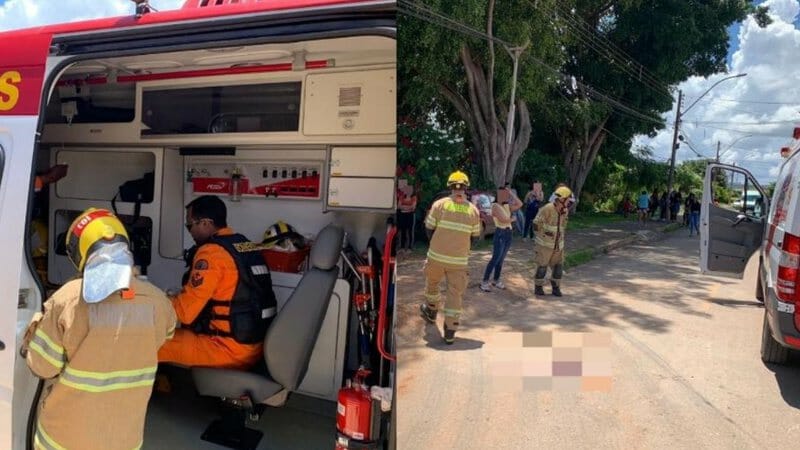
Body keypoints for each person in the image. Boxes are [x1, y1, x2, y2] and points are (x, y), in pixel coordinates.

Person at [21, 208, 175, 450]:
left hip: (64, 439)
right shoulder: (157, 300)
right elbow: (164, 335)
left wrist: (35, 325)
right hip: (125, 439)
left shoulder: (68, 300)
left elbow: (43, 365)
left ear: (80, 250)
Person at [158, 195, 277, 369]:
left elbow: (185, 313)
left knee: (146, 343)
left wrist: (155, 300)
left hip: (226, 348)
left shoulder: (212, 253)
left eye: (189, 225)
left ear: (205, 223)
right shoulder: (245, 245)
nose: (189, 231)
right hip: (255, 346)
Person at [419, 170, 481, 344]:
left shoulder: (439, 205)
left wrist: (437, 244)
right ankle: (450, 331)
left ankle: (431, 312)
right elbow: (475, 238)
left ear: (450, 187)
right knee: (455, 295)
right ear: (466, 188)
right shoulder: (473, 211)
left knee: (432, 284)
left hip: (436, 257)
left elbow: (429, 228)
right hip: (459, 262)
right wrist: (461, 249)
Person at [480, 185, 523, 291]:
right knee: (495, 258)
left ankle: (496, 280)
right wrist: (512, 219)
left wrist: (511, 193)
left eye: (506, 194)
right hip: (500, 233)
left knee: (501, 259)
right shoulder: (495, 206)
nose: (506, 196)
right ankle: (485, 281)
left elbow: (520, 204)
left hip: (508, 233)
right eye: (503, 194)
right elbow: (504, 220)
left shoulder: (507, 205)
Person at [532, 186, 572, 297]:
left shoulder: (565, 211)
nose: (569, 202)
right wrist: (543, 235)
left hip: (558, 246)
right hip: (544, 245)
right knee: (542, 267)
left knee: (558, 268)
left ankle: (556, 288)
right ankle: (538, 287)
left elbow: (563, 227)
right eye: (568, 199)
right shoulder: (547, 208)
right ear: (562, 199)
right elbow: (536, 224)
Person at [397, 186, 417, 253]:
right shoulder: (402, 197)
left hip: (410, 215)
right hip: (403, 215)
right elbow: (399, 206)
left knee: (410, 231)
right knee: (403, 231)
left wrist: (404, 207)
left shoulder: (413, 197)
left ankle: (410, 248)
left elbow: (413, 207)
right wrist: (408, 207)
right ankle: (402, 247)